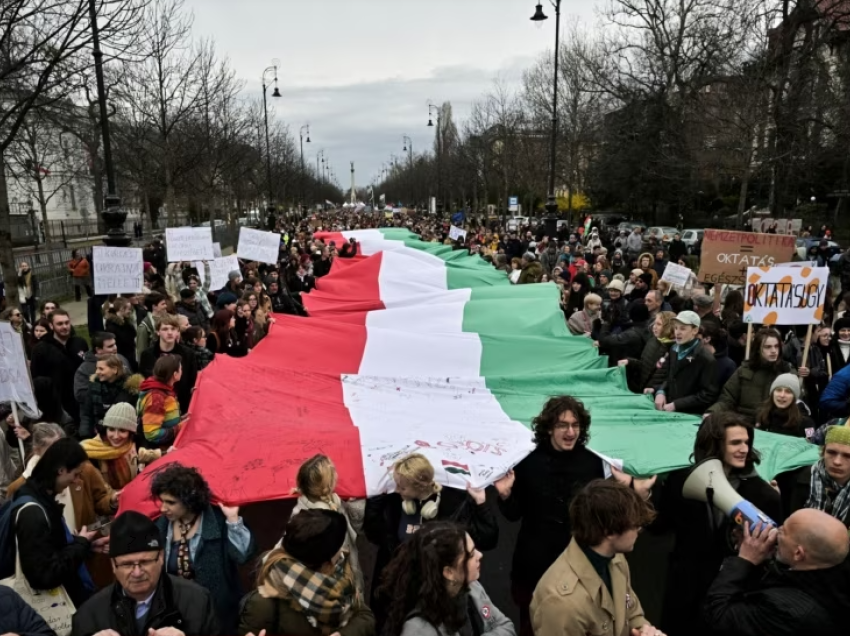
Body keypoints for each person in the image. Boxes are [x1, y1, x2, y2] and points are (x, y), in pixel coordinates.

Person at [494, 396, 654, 636]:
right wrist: (506, 496)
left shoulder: (593, 462)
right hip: (535, 563)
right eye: (562, 425)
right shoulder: (527, 462)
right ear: (549, 428)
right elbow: (515, 514)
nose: (570, 431)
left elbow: (608, 509)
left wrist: (633, 490)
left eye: (575, 425)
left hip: (582, 563)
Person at [655, 412, 782, 636]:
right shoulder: (680, 480)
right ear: (714, 444)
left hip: (732, 594)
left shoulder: (764, 495)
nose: (744, 448)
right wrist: (646, 495)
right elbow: (660, 526)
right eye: (735, 443)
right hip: (686, 588)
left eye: (746, 442)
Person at [364, 453, 498, 625]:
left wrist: (480, 503)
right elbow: (374, 534)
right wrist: (376, 500)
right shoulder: (394, 501)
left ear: (418, 486)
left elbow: (488, 538)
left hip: (437, 596)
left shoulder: (454, 506)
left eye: (402, 487)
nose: (397, 490)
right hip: (399, 594)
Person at [531, 480, 661, 636]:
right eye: (633, 525)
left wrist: (643, 630)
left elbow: (631, 613)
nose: (639, 529)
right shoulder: (560, 603)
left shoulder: (615, 558)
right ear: (609, 532)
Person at [703, 508, 850, 636]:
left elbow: (718, 615)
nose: (776, 530)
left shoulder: (787, 611)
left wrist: (744, 560)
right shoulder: (831, 570)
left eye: (783, 531)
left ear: (798, 554)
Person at [71, 510, 220, 636]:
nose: (137, 573)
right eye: (127, 564)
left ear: (161, 557)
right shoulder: (89, 615)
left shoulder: (197, 602)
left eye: (145, 562)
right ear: (113, 565)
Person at [151, 463, 255, 632]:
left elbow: (243, 555)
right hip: (175, 612)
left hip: (217, 612)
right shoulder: (160, 526)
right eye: (162, 501)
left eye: (170, 502)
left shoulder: (218, 521)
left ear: (189, 501)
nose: (163, 508)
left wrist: (233, 521)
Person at [239, 509, 374, 636]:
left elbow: (364, 616)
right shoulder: (264, 604)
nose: (342, 551)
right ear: (325, 559)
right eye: (338, 546)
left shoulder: (339, 569)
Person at [10, 438, 108, 608]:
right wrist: (80, 545)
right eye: (75, 474)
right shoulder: (33, 513)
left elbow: (52, 549)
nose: (76, 480)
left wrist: (85, 546)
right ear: (61, 470)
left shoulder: (42, 499)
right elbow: (44, 575)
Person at [378, 521, 514, 636]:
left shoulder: (472, 587)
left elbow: (507, 627)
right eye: (471, 555)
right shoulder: (418, 629)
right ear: (449, 572)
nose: (480, 555)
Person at [289, 454, 364, 592]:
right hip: (333, 588)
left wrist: (352, 504)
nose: (337, 474)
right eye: (334, 471)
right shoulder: (318, 521)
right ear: (327, 483)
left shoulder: (333, 500)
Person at [709, 327, 796, 424]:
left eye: (776, 346)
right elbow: (727, 399)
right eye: (768, 347)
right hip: (744, 425)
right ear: (758, 349)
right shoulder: (744, 370)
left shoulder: (787, 372)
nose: (773, 351)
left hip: (774, 427)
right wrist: (712, 412)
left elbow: (795, 406)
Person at [650, 310, 719, 415]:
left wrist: (676, 404)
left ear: (695, 330)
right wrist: (661, 391)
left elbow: (707, 395)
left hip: (690, 414)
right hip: (669, 410)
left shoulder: (705, 358)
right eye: (676, 328)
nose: (677, 332)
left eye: (683, 329)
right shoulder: (673, 349)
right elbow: (669, 377)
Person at [82, 402, 161, 491]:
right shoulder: (90, 452)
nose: (116, 436)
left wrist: (165, 453)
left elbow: (147, 455)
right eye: (111, 429)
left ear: (130, 433)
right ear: (105, 429)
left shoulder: (134, 444)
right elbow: (96, 487)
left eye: (122, 431)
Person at [30, 309, 88, 422]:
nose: (65, 326)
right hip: (57, 406)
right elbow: (36, 379)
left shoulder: (79, 343)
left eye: (67, 322)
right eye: (60, 324)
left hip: (82, 401)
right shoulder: (41, 349)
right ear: (51, 326)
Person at [138, 313, 198, 413]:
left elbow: (192, 380)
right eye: (165, 329)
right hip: (155, 406)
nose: (170, 333)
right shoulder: (147, 355)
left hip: (182, 406)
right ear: (158, 332)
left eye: (173, 329)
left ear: (178, 331)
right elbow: (144, 381)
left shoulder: (188, 354)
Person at [79, 354, 142, 439]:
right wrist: (85, 436)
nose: (97, 372)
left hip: (121, 437)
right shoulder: (93, 386)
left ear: (115, 370)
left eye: (101, 369)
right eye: (97, 368)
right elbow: (86, 414)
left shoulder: (130, 390)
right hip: (96, 436)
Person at [805, 424, 850, 527]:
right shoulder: (800, 480)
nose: (837, 462)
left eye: (848, 456)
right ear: (823, 452)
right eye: (831, 452)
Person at [73, 331, 131, 409]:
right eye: (110, 346)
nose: (115, 348)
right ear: (98, 349)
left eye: (115, 344)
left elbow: (130, 381)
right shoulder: (84, 369)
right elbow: (80, 394)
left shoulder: (121, 359)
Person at [137, 354, 184, 448]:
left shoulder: (164, 391)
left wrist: (182, 419)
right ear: (175, 375)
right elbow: (152, 434)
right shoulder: (156, 398)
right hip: (158, 452)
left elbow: (165, 418)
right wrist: (179, 428)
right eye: (181, 369)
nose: (182, 371)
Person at [103, 297, 139, 371]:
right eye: (128, 309)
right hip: (122, 360)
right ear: (121, 309)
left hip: (131, 357)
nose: (130, 311)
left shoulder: (127, 323)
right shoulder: (111, 327)